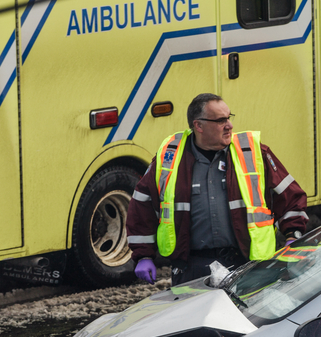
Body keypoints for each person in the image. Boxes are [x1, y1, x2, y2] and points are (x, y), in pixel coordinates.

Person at [126, 93, 308, 285]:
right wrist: (143, 255)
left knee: (244, 316)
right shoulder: (168, 158)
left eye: (229, 117)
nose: (229, 125)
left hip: (247, 264)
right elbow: (142, 206)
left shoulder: (253, 153)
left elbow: (290, 196)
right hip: (191, 267)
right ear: (199, 126)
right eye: (221, 120)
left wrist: (293, 236)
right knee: (193, 316)